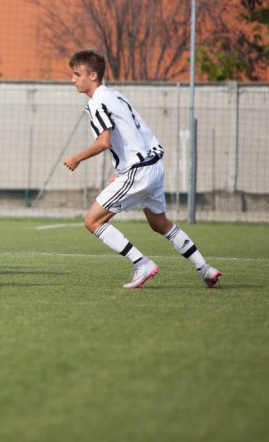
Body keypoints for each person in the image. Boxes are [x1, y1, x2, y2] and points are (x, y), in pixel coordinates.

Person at [63, 49, 221, 289]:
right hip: (153, 166)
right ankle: (205, 269)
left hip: (139, 171)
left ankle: (141, 263)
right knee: (160, 224)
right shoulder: (115, 96)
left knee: (92, 221)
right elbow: (133, 133)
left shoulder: (96, 102)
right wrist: (123, 167)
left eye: (77, 74)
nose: (73, 79)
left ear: (93, 75)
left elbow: (104, 141)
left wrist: (77, 158)